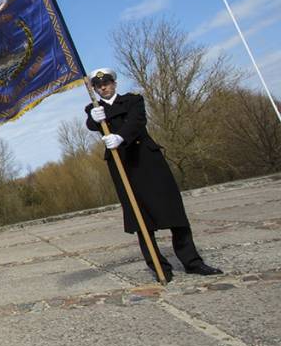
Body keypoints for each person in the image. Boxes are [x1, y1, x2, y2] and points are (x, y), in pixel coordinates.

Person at [84, 68, 222, 282]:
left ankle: (192, 262)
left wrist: (120, 136)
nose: (103, 87)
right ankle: (159, 267)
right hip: (123, 167)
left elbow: (138, 121)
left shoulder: (133, 100)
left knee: (174, 211)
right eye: (98, 85)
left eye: (107, 82)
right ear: (94, 88)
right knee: (141, 219)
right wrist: (93, 119)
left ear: (114, 83)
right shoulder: (93, 108)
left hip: (148, 161)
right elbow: (92, 125)